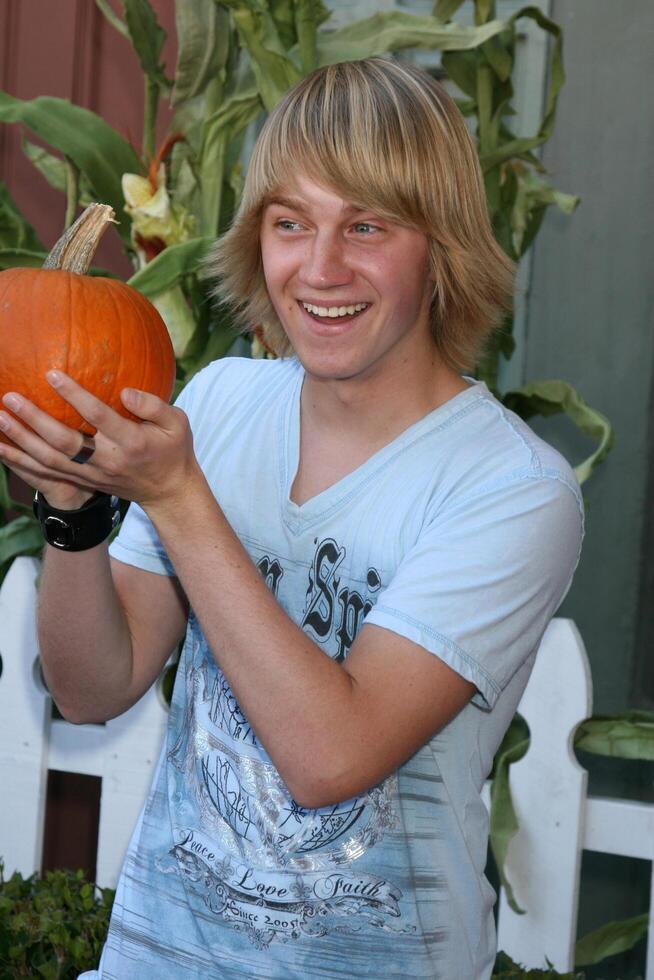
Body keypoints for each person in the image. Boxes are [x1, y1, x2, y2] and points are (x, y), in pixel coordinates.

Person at [0, 58, 584, 979]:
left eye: (366, 225)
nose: (320, 269)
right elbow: (90, 689)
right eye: (290, 223)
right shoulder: (226, 403)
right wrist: (73, 509)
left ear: (441, 245)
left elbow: (330, 759)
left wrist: (178, 496)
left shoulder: (512, 488)